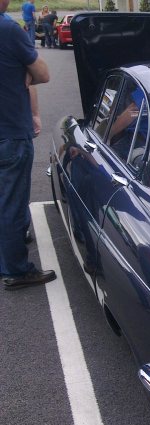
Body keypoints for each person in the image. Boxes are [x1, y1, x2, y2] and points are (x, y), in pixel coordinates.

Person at [0, 0, 55, 290]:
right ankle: (16, 270)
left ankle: (9, 248)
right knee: (11, 201)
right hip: (9, 130)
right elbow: (43, 74)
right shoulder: (8, 29)